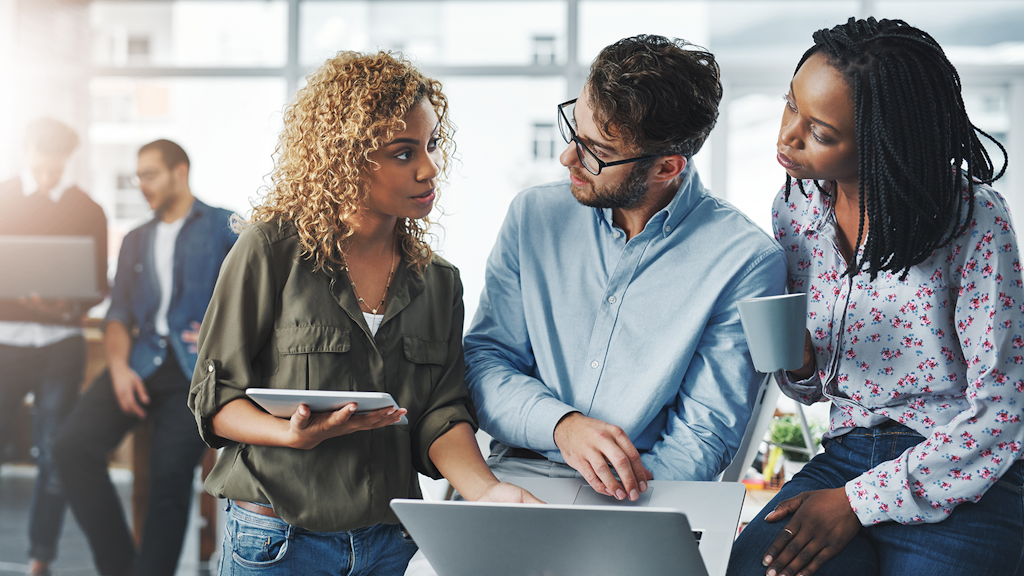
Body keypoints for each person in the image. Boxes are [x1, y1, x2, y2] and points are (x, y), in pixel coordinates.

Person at [187, 51, 539, 576]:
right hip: (278, 541)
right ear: (344, 156)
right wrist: (289, 434)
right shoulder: (271, 250)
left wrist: (486, 491)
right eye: (403, 153)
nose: (429, 168)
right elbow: (215, 401)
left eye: (432, 145)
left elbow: (441, 414)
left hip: (391, 545)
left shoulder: (438, 282)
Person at [727, 17, 1024, 576]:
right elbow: (814, 386)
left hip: (959, 469)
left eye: (820, 132)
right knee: (756, 567)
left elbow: (1004, 410)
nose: (787, 136)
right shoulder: (796, 206)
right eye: (791, 105)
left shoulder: (975, 220)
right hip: (845, 453)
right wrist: (802, 363)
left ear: (885, 142)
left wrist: (857, 503)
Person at [465, 35, 787, 496]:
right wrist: (563, 427)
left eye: (597, 152)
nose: (568, 158)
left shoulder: (744, 262)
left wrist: (622, 504)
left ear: (665, 168)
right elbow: (485, 362)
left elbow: (703, 434)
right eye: (574, 130)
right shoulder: (532, 216)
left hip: (645, 492)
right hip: (513, 478)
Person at [53, 139, 237, 576]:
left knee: (169, 478)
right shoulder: (136, 239)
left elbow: (252, 301)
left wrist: (218, 333)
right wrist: (118, 368)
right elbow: (117, 314)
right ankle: (121, 569)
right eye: (138, 176)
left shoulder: (223, 227)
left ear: (180, 172)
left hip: (193, 374)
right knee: (70, 448)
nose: (141, 185)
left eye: (150, 174)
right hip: (139, 364)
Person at [0, 118, 107, 576]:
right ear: (27, 154)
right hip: (5, 341)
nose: (46, 177)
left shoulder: (88, 209)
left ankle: (40, 558)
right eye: (40, 168)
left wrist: (69, 299)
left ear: (67, 160)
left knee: (54, 451)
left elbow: (99, 283)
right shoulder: (3, 196)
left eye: (54, 169)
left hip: (62, 345)